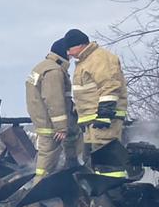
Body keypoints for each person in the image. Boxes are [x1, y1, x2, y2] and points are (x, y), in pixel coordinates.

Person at [63, 28, 128, 180]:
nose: (68, 54)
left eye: (69, 49)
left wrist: (104, 115)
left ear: (80, 45)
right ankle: (102, 196)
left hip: (104, 120)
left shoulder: (99, 58)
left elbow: (110, 86)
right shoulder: (85, 61)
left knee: (108, 161)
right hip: (93, 122)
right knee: (96, 162)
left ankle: (116, 196)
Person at [24, 38, 76, 177]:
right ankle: (39, 192)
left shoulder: (41, 67)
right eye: (70, 52)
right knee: (47, 162)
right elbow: (54, 100)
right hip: (51, 125)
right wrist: (61, 127)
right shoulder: (54, 71)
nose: (72, 56)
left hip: (42, 120)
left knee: (45, 160)